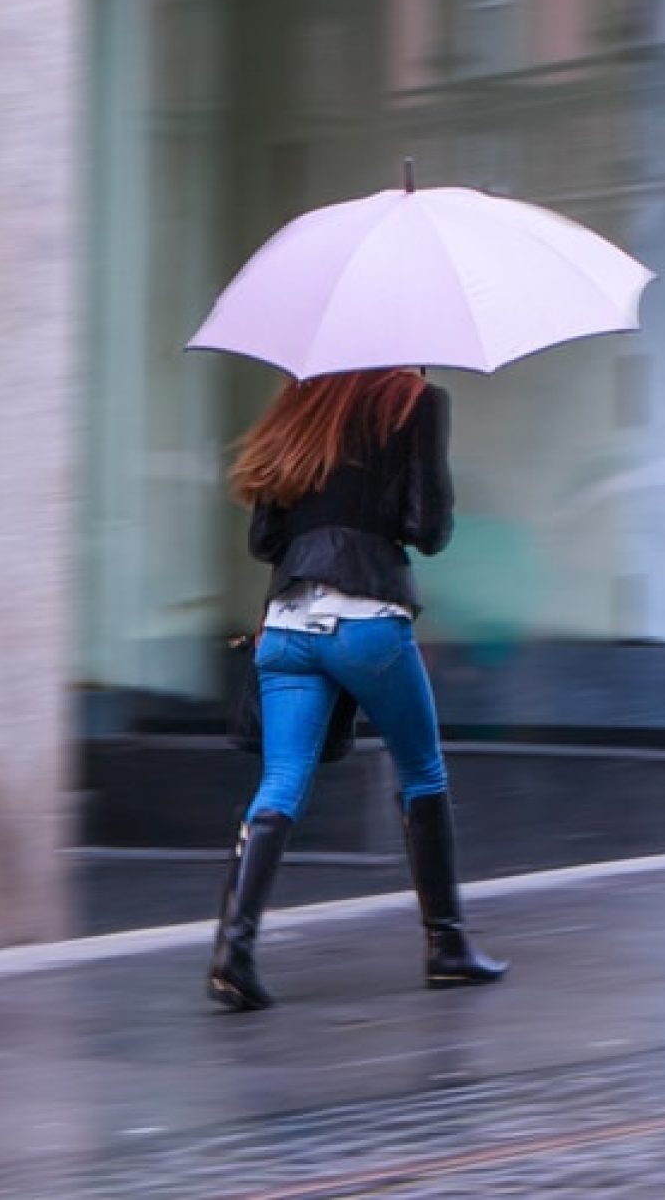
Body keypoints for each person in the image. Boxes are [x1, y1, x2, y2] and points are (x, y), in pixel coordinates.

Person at [210, 368, 507, 1012]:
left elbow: (265, 539)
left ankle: (233, 953)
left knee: (282, 781)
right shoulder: (415, 401)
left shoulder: (301, 397)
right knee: (422, 772)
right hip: (367, 624)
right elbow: (427, 527)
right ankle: (447, 945)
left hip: (286, 628)